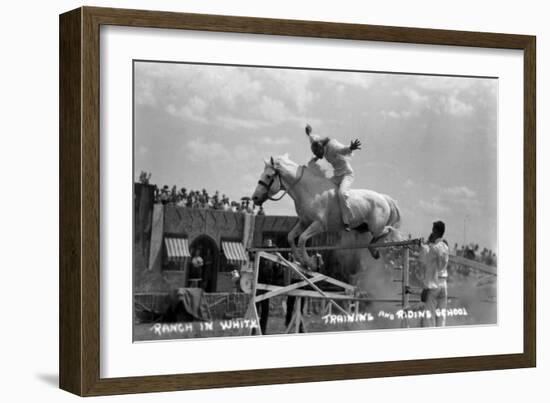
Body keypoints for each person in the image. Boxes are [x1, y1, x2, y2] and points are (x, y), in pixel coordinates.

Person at [304, 124, 361, 231]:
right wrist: (309, 133)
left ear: (322, 147)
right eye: (316, 154)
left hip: (346, 174)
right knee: (324, 189)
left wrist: (351, 148)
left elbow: (343, 150)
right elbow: (312, 138)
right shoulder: (316, 143)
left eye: (319, 153)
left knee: (342, 193)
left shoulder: (333, 147)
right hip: (336, 175)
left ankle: (347, 221)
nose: (319, 156)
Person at [418, 221, 449, 327]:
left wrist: (425, 289)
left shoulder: (434, 249)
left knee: (429, 318)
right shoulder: (445, 247)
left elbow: (430, 271)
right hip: (444, 284)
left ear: (435, 231)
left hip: (434, 284)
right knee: (441, 318)